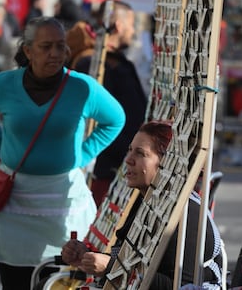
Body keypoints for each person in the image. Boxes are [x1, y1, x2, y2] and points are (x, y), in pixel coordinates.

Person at [0, 16, 126, 290]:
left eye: (60, 46)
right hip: (14, 200)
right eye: (45, 46)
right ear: (28, 50)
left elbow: (115, 119)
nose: (55, 53)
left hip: (61, 201)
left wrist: (83, 155)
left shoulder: (82, 87)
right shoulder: (3, 85)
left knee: (59, 281)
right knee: (15, 279)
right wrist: (1, 149)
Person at [61, 121, 223, 289]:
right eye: (130, 151)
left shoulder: (187, 213)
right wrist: (88, 257)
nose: (129, 160)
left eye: (140, 153)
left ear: (168, 163)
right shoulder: (147, 200)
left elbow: (181, 285)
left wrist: (111, 268)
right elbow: (131, 260)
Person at [71, 0, 147, 208]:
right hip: (105, 168)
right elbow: (93, 119)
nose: (133, 31)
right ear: (120, 25)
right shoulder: (97, 63)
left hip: (115, 165)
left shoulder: (113, 62)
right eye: (131, 24)